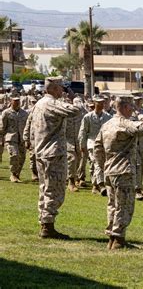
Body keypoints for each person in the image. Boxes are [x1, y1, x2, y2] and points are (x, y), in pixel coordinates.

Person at [94, 96, 143, 250]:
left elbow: (98, 147)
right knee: (124, 205)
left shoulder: (106, 124)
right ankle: (119, 239)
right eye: (131, 107)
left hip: (110, 170)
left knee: (113, 204)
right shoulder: (124, 124)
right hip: (123, 170)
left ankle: (112, 237)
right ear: (125, 107)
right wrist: (141, 115)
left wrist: (103, 165)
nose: (132, 109)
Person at [31, 77, 80, 239]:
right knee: (55, 189)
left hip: (41, 152)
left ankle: (45, 222)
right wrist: (76, 99)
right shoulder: (51, 103)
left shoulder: (39, 103)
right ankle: (47, 225)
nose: (62, 91)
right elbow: (75, 111)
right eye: (60, 88)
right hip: (53, 154)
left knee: (45, 188)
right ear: (53, 89)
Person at [78, 96, 112, 195]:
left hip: (104, 143)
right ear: (94, 103)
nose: (101, 105)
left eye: (103, 103)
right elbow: (83, 132)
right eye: (99, 103)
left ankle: (96, 185)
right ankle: (100, 185)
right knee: (96, 162)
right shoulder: (88, 117)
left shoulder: (108, 117)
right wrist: (82, 144)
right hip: (92, 142)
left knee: (100, 164)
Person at [1, 96, 28, 182]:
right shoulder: (6, 113)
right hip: (11, 137)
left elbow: (28, 126)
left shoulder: (24, 113)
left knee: (22, 158)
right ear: (11, 102)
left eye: (18, 101)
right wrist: (1, 138)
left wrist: (28, 139)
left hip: (22, 138)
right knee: (14, 155)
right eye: (15, 101)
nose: (17, 103)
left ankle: (17, 174)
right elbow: (2, 127)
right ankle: (13, 174)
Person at [131, 97, 143, 201]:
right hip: (131, 144)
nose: (137, 102)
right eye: (135, 100)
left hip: (142, 143)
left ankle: (138, 185)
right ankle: (137, 189)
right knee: (136, 165)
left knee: (142, 166)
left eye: (139, 100)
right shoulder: (127, 112)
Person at [65, 97, 83, 192]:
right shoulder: (66, 115)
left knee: (78, 160)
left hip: (78, 141)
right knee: (71, 159)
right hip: (68, 141)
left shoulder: (83, 115)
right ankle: (70, 182)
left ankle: (74, 178)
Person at [23, 97, 39, 181]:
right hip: (33, 139)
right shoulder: (31, 115)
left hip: (42, 139)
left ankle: (40, 173)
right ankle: (34, 173)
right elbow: (27, 127)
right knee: (33, 156)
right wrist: (26, 139)